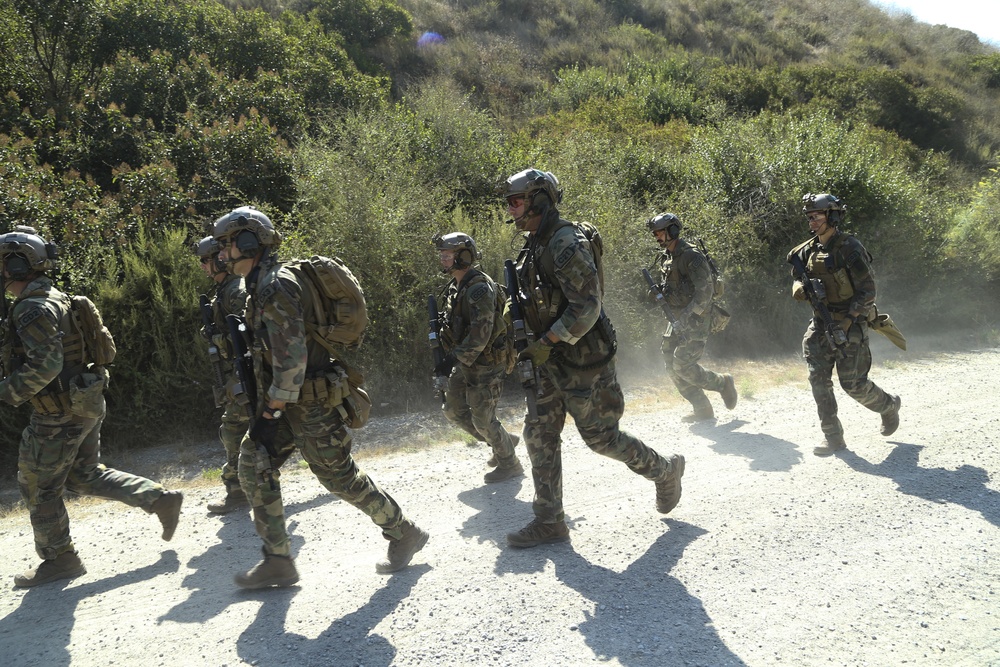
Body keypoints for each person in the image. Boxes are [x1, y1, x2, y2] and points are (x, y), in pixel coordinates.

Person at [212, 206, 428, 587]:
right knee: (252, 462)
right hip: (286, 401)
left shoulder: (274, 287)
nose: (222, 253)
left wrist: (270, 412)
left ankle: (402, 531)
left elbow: (292, 358)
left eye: (228, 244)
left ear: (249, 242)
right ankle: (278, 559)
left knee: (339, 478)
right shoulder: (259, 285)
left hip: (308, 402)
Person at [501, 169, 686, 548]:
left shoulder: (564, 242)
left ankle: (665, 472)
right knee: (539, 433)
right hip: (549, 360)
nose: (511, 209)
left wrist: (548, 340)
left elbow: (587, 306)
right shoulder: (534, 243)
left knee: (602, 439)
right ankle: (550, 520)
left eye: (516, 201)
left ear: (538, 199)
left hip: (585, 360)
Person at [1, 226, 183, 588]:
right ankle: (159, 499)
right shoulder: (55, 296)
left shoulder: (32, 309)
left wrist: (6, 391)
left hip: (58, 413)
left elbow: (46, 364)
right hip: (83, 403)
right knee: (84, 475)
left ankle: (60, 558)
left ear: (18, 266)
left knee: (38, 484)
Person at [788, 193, 901, 457]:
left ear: (833, 216)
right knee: (818, 379)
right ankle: (833, 437)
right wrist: (800, 289)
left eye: (816, 216)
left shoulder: (850, 248)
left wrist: (849, 322)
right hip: (820, 325)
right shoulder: (806, 251)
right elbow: (796, 276)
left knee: (853, 385)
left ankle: (888, 406)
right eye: (809, 217)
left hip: (850, 324)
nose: (811, 221)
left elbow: (868, 292)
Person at [431, 232, 523, 483]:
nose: (443, 260)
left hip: (487, 363)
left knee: (482, 418)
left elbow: (480, 336)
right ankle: (503, 440)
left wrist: (449, 360)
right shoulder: (455, 286)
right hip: (466, 361)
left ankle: (510, 463)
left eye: (447, 255)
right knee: (452, 410)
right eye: (442, 255)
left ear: (464, 256)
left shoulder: (480, 289)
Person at [646, 213, 737, 422]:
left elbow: (705, 293)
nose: (657, 237)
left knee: (683, 365)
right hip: (676, 318)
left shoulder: (692, 256)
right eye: (655, 233)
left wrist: (687, 317)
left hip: (696, 318)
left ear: (673, 231)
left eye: (660, 232)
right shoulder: (668, 257)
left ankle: (723, 383)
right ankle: (702, 408)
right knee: (669, 362)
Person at [194, 236, 250, 514]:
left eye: (205, 261)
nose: (203, 267)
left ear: (218, 260)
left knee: (233, 429)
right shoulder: (223, 291)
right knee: (236, 430)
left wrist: (220, 340)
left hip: (245, 373)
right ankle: (240, 488)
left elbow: (248, 335)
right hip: (234, 374)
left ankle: (239, 490)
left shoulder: (235, 291)